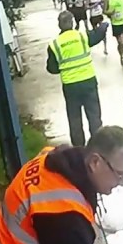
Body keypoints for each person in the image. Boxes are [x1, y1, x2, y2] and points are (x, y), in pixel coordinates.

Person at [46, 10, 101, 147]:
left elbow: (52, 68)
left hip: (70, 86)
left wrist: (64, 65)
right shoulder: (82, 36)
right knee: (94, 116)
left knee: (75, 119)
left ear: (59, 25)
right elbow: (96, 37)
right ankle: (98, 146)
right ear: (72, 22)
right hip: (88, 81)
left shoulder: (54, 44)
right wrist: (103, 27)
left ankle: (78, 149)